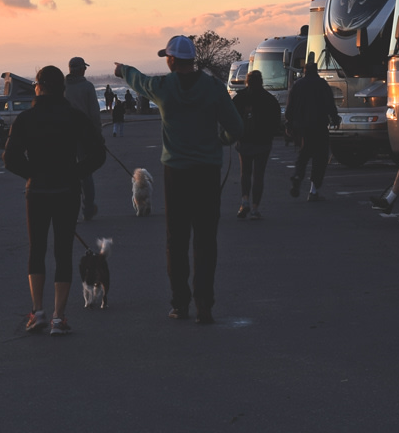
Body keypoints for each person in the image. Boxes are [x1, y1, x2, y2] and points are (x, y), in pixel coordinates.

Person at [115, 35, 243, 324]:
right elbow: (236, 127)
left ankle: (180, 304)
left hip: (176, 173)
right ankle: (205, 304)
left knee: (177, 239)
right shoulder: (212, 87)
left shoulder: (164, 88)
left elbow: (140, 81)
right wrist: (219, 139)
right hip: (208, 172)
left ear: (171, 60)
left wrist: (123, 70)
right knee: (206, 239)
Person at [4, 64, 108, 336]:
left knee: (36, 251)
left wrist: (32, 174)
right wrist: (75, 173)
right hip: (66, 191)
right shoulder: (74, 117)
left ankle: (38, 312)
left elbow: (10, 158)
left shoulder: (26, 119)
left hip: (36, 191)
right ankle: (59, 318)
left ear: (38, 87)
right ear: (62, 89)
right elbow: (98, 153)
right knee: (62, 253)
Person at [285, 59, 341, 201]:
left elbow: (290, 107)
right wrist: (334, 118)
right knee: (320, 158)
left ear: (304, 71)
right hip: (319, 126)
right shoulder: (322, 85)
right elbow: (330, 104)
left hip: (301, 127)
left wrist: (289, 125)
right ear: (316, 71)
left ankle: (298, 175)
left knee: (303, 154)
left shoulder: (297, 86)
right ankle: (313, 190)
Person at [232, 68, 282, 219]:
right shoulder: (269, 99)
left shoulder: (240, 98)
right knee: (259, 175)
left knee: (245, 172)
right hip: (263, 142)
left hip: (245, 141)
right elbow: (276, 122)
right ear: (261, 82)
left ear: (247, 81)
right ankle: (255, 208)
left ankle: (244, 200)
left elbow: (231, 116)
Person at [64, 56, 103, 221]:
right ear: (81, 69)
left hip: (64, 135)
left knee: (66, 172)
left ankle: (67, 210)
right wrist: (98, 135)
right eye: (84, 68)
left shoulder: (62, 86)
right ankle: (87, 208)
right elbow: (94, 114)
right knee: (85, 172)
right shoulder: (87, 86)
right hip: (84, 135)